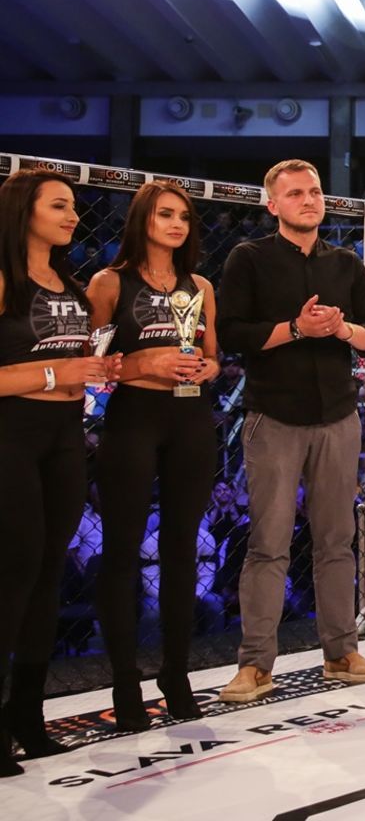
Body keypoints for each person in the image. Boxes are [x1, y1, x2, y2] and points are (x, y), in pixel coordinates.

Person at [216, 159, 365, 703]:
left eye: (314, 191)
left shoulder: (345, 262)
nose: (309, 200)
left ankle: (341, 652)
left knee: (336, 541)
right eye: (295, 193)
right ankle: (255, 664)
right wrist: (296, 328)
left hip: (337, 416)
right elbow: (231, 334)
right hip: (274, 416)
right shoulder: (249, 258)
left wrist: (342, 329)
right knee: (268, 545)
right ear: (273, 205)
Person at [84, 181, 219, 731]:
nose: (177, 224)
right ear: (143, 219)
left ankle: (176, 674)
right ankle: (124, 681)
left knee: (182, 549)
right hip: (133, 419)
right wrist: (144, 365)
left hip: (190, 419)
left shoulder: (201, 286)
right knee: (121, 551)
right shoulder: (109, 282)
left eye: (184, 216)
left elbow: (213, 356)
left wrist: (206, 368)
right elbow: (89, 367)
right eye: (166, 214)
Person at [0, 170, 122, 776]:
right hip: (12, 435)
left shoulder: (70, 287)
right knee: (15, 573)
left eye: (74, 206)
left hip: (66, 436)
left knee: (49, 573)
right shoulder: (5, 282)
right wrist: (57, 374)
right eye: (59, 206)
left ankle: (28, 715)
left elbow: (76, 364)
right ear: (24, 212)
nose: (73, 216)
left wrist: (99, 370)